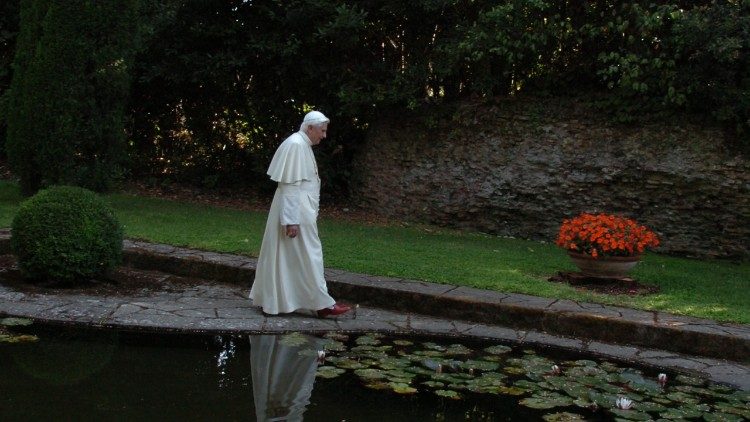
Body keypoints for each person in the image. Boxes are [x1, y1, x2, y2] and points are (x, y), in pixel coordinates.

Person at [249, 111, 351, 317]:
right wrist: (291, 220)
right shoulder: (296, 145)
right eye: (322, 131)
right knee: (310, 255)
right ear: (310, 128)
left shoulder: (301, 144)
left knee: (289, 256)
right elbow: (290, 186)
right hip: (296, 210)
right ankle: (322, 304)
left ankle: (277, 300)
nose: (324, 136)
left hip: (299, 208)